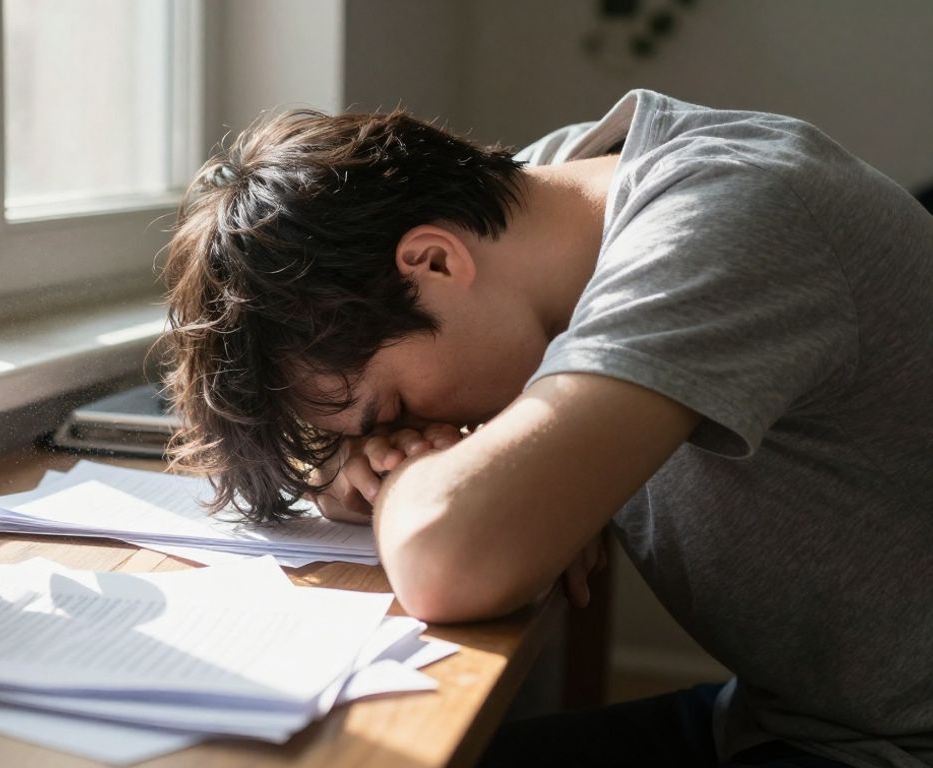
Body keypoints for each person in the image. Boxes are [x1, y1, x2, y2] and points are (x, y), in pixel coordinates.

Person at [159, 89, 933, 767]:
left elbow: (448, 559)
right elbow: (444, 500)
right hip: (786, 720)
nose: (419, 429)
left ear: (430, 261)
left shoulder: (724, 224)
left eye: (391, 411)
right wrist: (352, 462)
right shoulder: (547, 195)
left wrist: (414, 482)